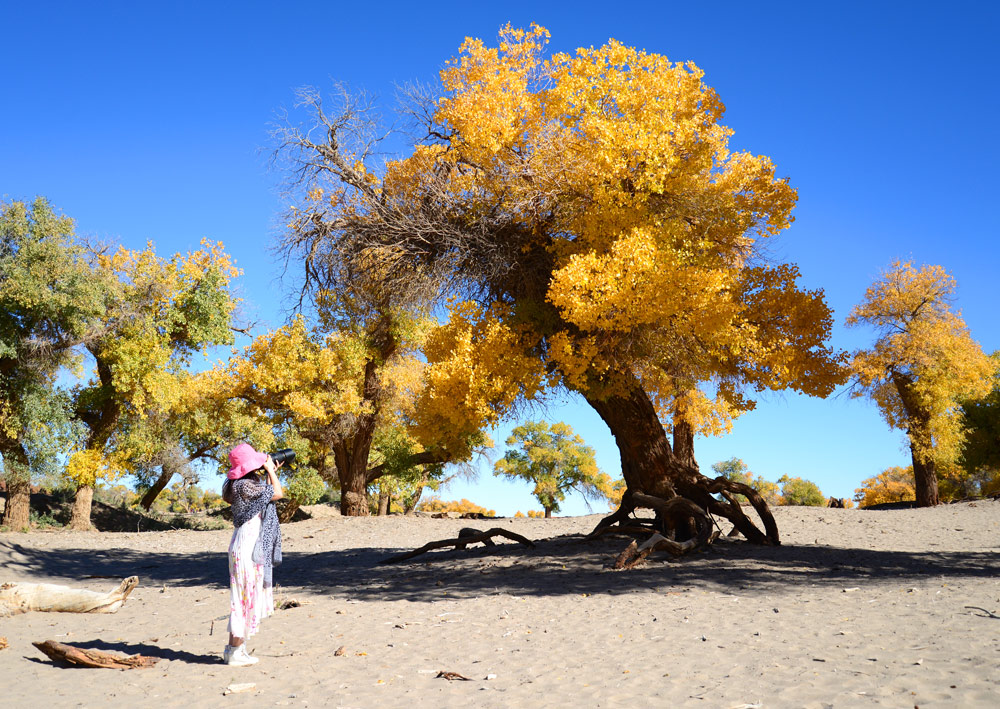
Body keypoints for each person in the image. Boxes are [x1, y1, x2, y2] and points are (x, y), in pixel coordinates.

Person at [221, 443, 284, 666]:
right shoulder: (245, 485)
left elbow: (265, 497)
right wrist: (270, 471)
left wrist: (270, 473)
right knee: (243, 597)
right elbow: (277, 493)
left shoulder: (237, 485)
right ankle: (235, 652)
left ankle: (235, 650)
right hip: (247, 545)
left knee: (243, 596)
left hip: (244, 542)